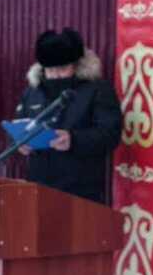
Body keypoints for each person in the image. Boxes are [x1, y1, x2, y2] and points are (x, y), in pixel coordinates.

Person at [15, 28, 122, 204]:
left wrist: (73, 139)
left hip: (80, 190)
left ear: (77, 65)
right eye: (50, 70)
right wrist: (19, 144)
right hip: (38, 185)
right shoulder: (33, 91)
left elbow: (110, 134)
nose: (56, 75)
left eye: (63, 69)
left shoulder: (97, 90)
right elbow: (20, 124)